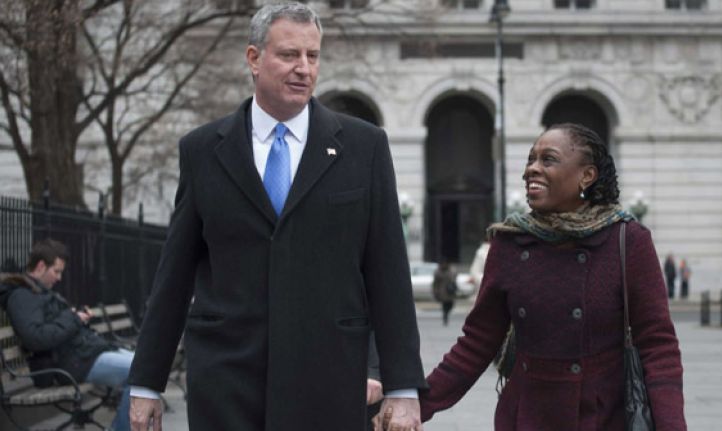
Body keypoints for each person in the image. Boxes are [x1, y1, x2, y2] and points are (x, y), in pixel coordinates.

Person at [128, 3, 425, 430]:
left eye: (313, 56)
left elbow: (388, 271)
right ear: (254, 58)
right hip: (227, 381)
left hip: (329, 380)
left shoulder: (364, 147)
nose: (303, 68)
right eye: (289, 55)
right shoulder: (203, 150)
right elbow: (174, 275)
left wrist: (402, 387)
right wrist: (146, 382)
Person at [409, 123, 686, 430]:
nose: (531, 170)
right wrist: (414, 406)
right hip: (527, 415)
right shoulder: (510, 243)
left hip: (601, 417)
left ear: (587, 175)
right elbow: (476, 343)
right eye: (531, 160)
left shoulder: (627, 240)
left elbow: (657, 344)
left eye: (548, 160)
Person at [0, 239, 133, 431]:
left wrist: (74, 316)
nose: (59, 278)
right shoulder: (22, 297)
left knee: (146, 366)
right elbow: (36, 338)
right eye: (57, 271)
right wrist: (74, 319)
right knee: (139, 372)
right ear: (40, 266)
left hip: (81, 355)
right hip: (67, 364)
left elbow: (54, 325)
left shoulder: (40, 293)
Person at [432, 262, 457, 326]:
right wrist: (435, 291)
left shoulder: (451, 270)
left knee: (450, 304)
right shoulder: (438, 272)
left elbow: (454, 278)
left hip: (450, 291)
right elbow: (435, 283)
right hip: (442, 291)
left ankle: (446, 314)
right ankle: (445, 316)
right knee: (445, 305)